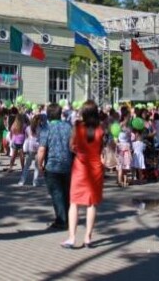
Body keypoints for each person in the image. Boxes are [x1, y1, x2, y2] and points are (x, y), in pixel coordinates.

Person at [61, 100, 104, 249]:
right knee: (91, 204)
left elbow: (71, 145)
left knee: (74, 202)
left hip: (80, 167)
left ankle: (72, 238)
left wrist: (78, 151)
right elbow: (100, 148)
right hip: (96, 168)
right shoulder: (100, 129)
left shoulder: (78, 127)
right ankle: (88, 238)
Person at [37, 103, 72, 231]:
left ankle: (61, 220)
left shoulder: (46, 128)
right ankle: (68, 217)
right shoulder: (68, 127)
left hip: (52, 165)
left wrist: (39, 164)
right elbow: (74, 146)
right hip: (67, 164)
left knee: (57, 193)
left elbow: (42, 149)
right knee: (66, 192)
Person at [19, 114, 41, 186]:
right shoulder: (40, 128)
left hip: (30, 147)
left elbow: (26, 137)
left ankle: (22, 181)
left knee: (27, 165)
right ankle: (35, 181)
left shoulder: (28, 128)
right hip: (38, 147)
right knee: (37, 166)